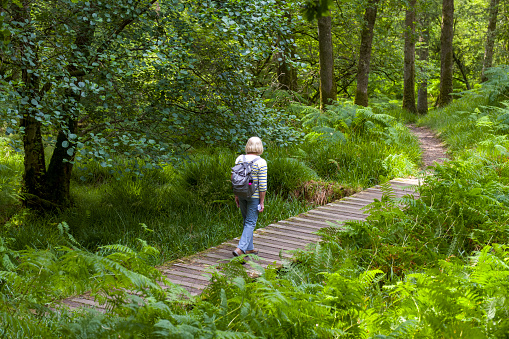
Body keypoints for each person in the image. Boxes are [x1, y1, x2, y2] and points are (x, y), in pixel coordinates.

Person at [232, 137, 267, 257]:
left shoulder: (239, 159)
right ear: (260, 147)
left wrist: (236, 195)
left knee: (246, 220)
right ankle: (241, 248)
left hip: (241, 193)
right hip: (253, 196)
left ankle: (249, 248)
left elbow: (234, 178)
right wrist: (261, 201)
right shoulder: (261, 162)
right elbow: (262, 185)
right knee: (251, 222)